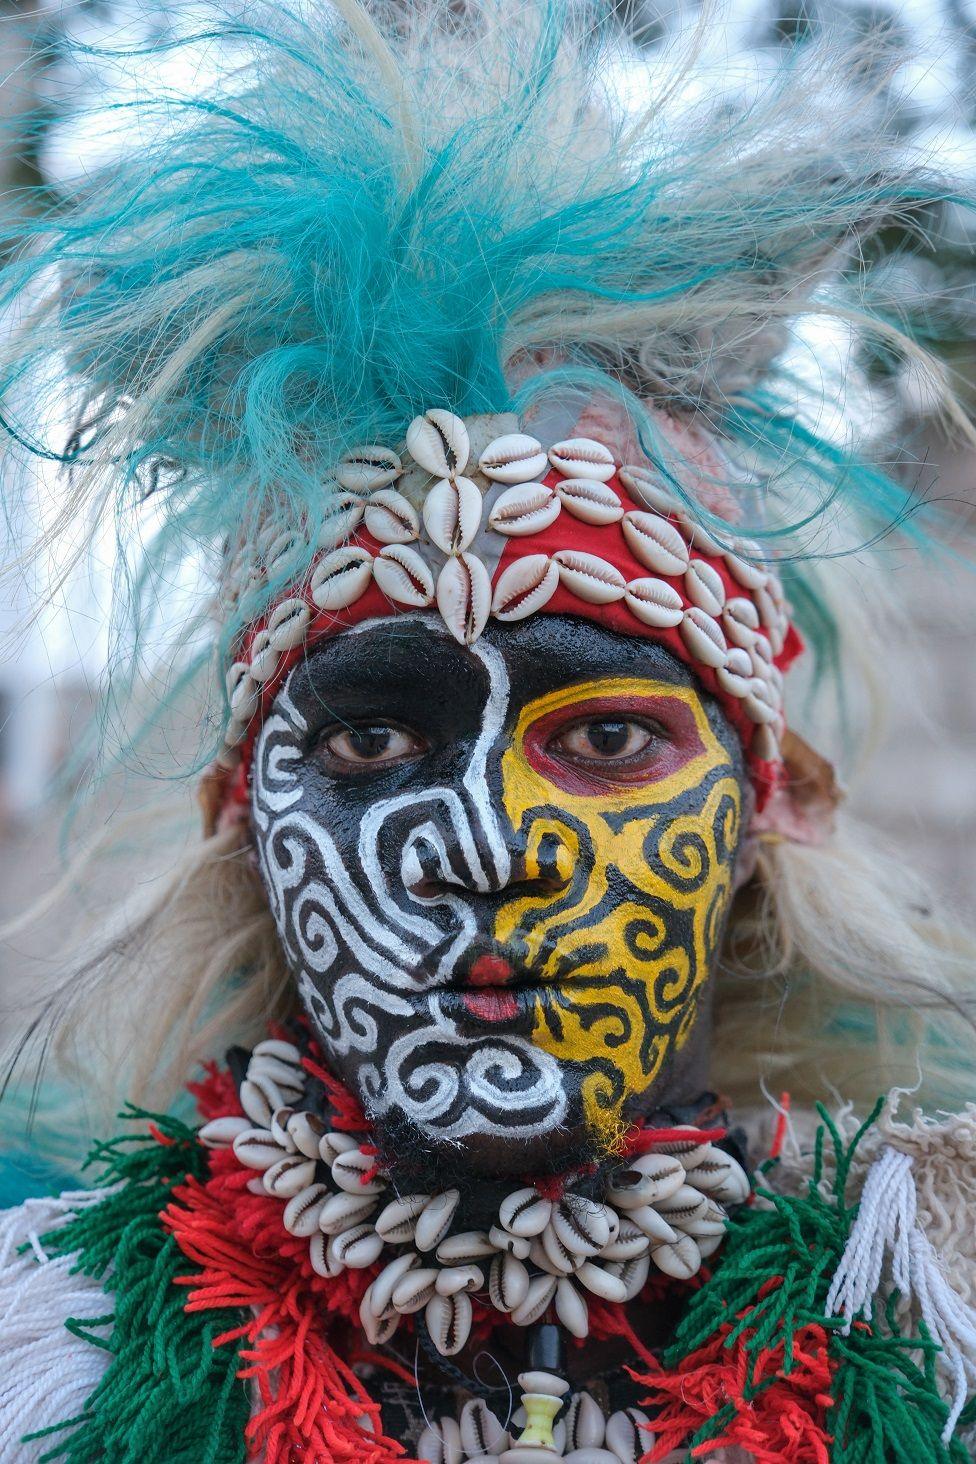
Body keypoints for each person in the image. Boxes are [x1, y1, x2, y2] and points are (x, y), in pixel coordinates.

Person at [1, 4, 974, 1460]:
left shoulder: (934, 1330)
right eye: (370, 744)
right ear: (238, 816)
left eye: (611, 742)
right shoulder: (46, 1352)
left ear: (780, 803)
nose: (489, 848)